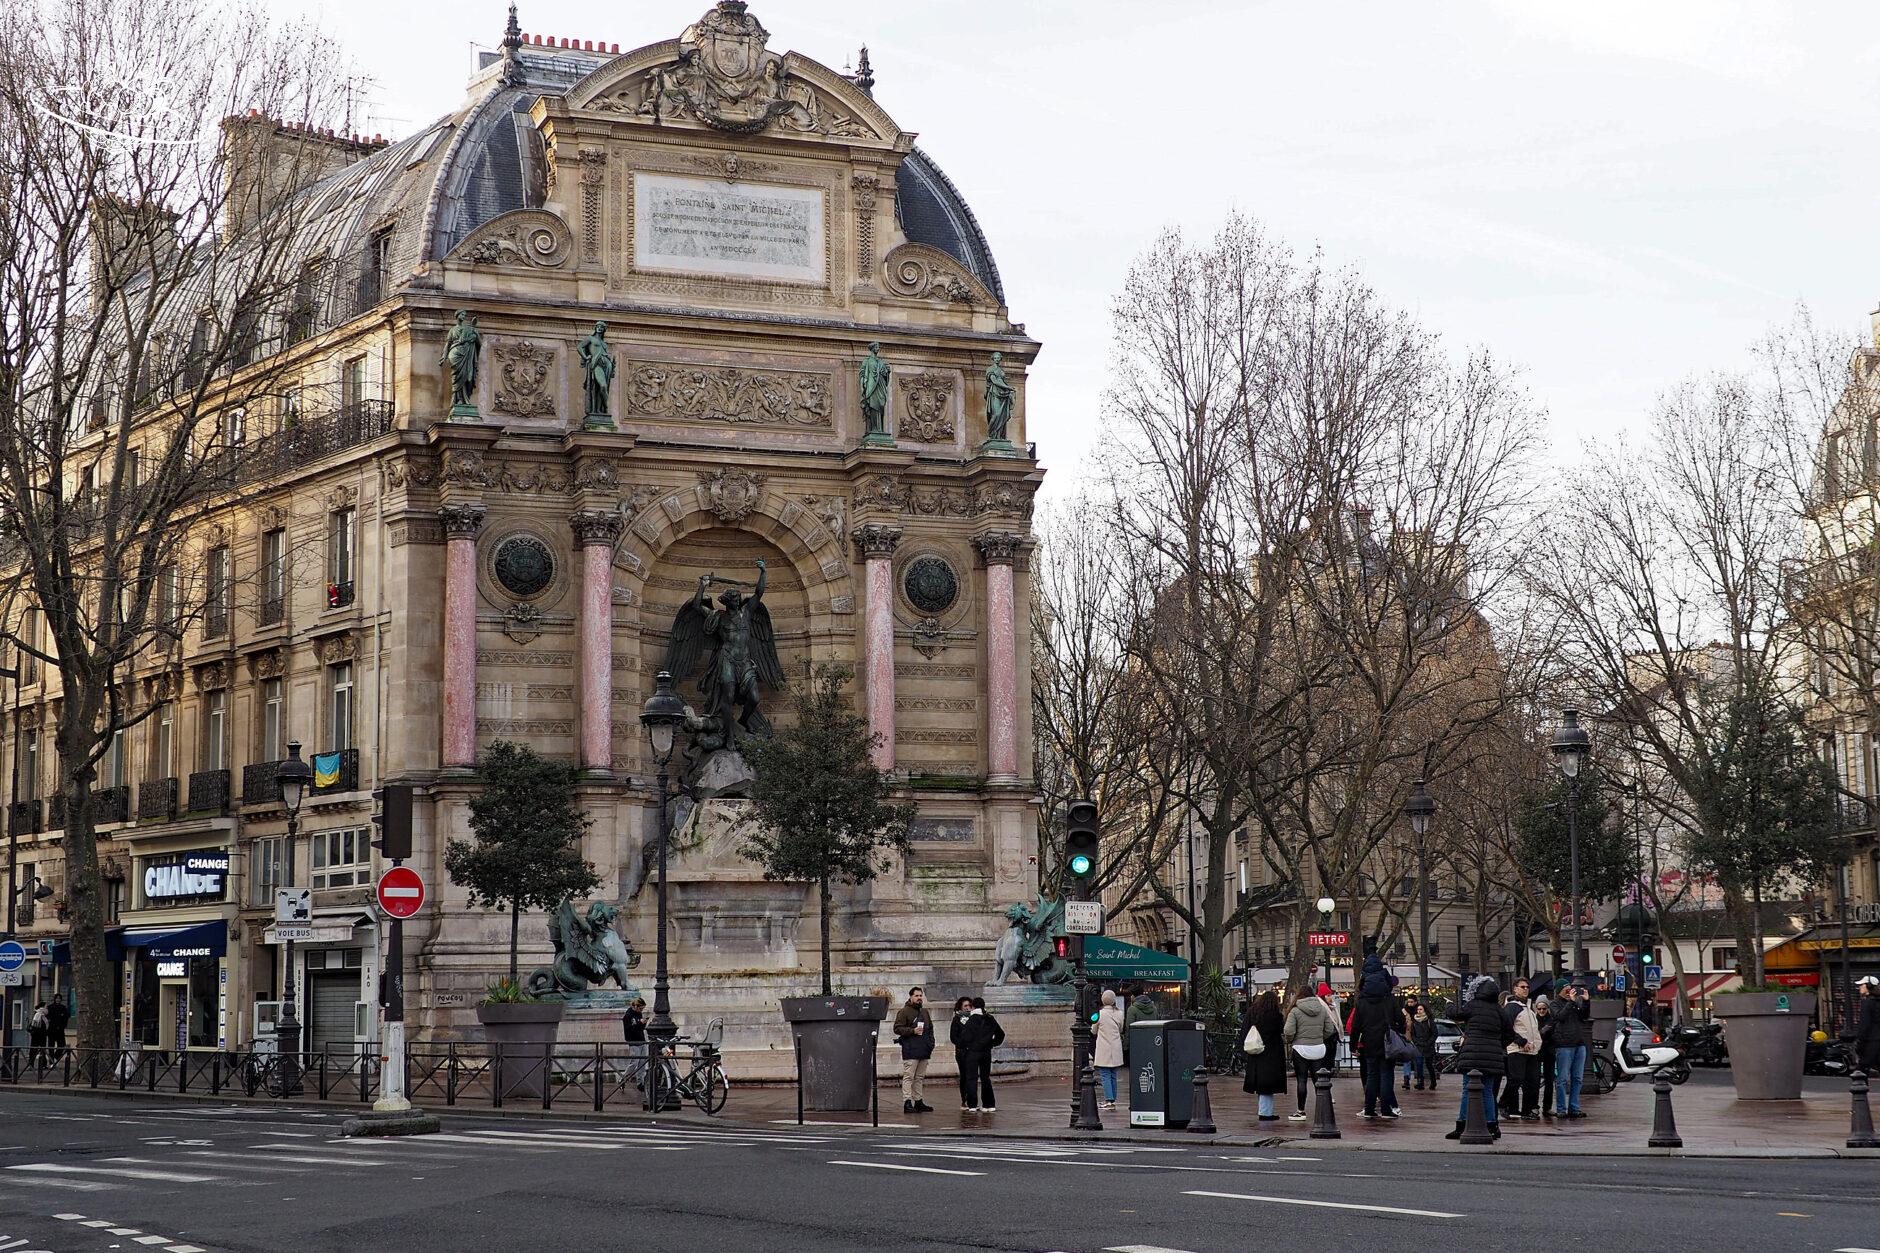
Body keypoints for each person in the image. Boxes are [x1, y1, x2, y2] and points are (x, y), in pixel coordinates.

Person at [1447, 976, 1514, 1141]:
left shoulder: (1472, 1005)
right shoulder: (1499, 1010)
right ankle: (1492, 1125)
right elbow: (1510, 1034)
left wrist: (1449, 1004)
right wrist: (1497, 1045)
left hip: (1471, 1054)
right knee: (1488, 1092)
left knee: (1466, 1090)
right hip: (1492, 1057)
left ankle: (1461, 1125)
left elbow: (1456, 1014)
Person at [1349, 953, 1399, 1120]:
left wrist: (1353, 1045)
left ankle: (1369, 1108)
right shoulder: (1389, 999)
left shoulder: (1362, 1001)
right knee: (1386, 1074)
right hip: (1387, 1040)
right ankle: (1386, 1109)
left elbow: (1355, 1026)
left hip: (1369, 1041)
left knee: (1371, 1075)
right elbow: (1401, 1019)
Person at [1282, 983, 1338, 1122]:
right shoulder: (1322, 1009)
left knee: (1301, 1080)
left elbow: (1288, 1031)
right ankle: (1323, 1109)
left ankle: (1301, 1111)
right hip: (1318, 1048)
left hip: (1300, 1048)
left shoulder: (1295, 1011)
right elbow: (1329, 1029)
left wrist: (1292, 1040)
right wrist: (1319, 1038)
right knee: (1318, 1080)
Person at [1240, 987, 1288, 1122]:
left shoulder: (1252, 1013)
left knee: (1261, 1083)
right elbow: (1280, 1030)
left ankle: (1265, 1111)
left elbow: (1244, 1031)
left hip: (1256, 1052)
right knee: (1268, 1085)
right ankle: (1265, 1113)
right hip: (1271, 1053)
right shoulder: (1275, 1016)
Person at [955, 996, 1005, 1113]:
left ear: (973, 1007)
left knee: (972, 1078)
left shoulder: (972, 1020)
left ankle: (972, 1104)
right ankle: (989, 1104)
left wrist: (966, 1046)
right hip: (986, 1052)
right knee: (985, 1078)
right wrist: (992, 1043)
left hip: (972, 1052)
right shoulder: (990, 1018)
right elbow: (1001, 1034)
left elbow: (964, 1038)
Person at [1500, 977, 1541, 1121]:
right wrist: (1521, 1041)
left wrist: (1537, 1043)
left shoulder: (1529, 1008)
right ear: (1515, 989)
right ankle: (1503, 1104)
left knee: (1533, 1081)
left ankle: (1528, 1109)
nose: (1525, 989)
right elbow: (1506, 1028)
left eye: (1527, 987)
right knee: (1516, 1079)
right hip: (1517, 1050)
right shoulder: (1512, 1007)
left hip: (1532, 1051)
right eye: (1522, 987)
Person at [1551, 982, 1593, 1120]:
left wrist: (1586, 1002)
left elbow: (1584, 1016)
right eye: (1566, 990)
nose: (1569, 992)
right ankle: (1561, 1109)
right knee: (1562, 1079)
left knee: (1577, 1078)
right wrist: (1571, 1002)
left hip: (1579, 1044)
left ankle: (1574, 1108)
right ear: (1559, 991)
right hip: (1564, 1045)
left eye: (1570, 990)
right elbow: (1560, 1016)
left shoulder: (1574, 1003)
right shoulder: (1554, 1004)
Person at [892, 986, 935, 1114]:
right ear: (911, 997)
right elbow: (897, 1028)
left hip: (924, 1048)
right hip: (910, 1049)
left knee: (919, 1077)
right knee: (909, 1076)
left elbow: (930, 1028)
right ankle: (907, 1101)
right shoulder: (904, 1012)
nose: (919, 998)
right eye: (916, 996)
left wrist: (931, 1044)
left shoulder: (925, 1012)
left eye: (920, 996)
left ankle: (918, 1100)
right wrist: (912, 1031)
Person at [1094, 989, 1126, 1110]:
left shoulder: (1099, 1014)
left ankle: (1108, 1100)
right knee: (1113, 1074)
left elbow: (1093, 1030)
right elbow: (1121, 1029)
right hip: (1116, 1047)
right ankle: (1112, 1099)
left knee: (1105, 1074)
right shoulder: (1120, 1013)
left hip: (1104, 1048)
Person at [947, 996, 977, 1111]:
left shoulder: (975, 1019)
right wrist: (964, 1043)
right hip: (962, 1052)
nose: (968, 1008)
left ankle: (972, 1101)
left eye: (969, 1006)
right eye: (965, 1006)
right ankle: (964, 1100)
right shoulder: (957, 1019)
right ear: (960, 1007)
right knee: (964, 1076)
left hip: (973, 1051)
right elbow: (953, 1037)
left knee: (972, 1076)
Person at [1533, 994, 1558, 1118]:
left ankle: (1547, 1107)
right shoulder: (1533, 1019)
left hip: (1549, 1052)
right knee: (1535, 1080)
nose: (1541, 1011)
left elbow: (1554, 1035)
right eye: (1539, 1008)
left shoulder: (1552, 1019)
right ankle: (1535, 1107)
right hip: (1537, 1052)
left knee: (1549, 1081)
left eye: (1544, 1008)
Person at [1409, 1001, 1438, 1091]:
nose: (1419, 1011)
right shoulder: (1414, 1021)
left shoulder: (1429, 1021)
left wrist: (1429, 1042)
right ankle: (1420, 1083)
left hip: (1428, 1046)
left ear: (1425, 1010)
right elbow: (1412, 1034)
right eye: (1418, 1009)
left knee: (1429, 1065)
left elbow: (1435, 1034)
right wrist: (1416, 1042)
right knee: (1419, 1064)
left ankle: (1433, 1082)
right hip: (1419, 1046)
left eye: (1421, 1009)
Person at [1854, 975, 1880, 1075]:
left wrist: (1860, 1042)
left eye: (1862, 985)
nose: (1859, 987)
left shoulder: (1867, 1003)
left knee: (1860, 1072)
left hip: (1871, 1042)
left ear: (1868, 986)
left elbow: (1864, 1024)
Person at [621, 996, 648, 1086]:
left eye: (642, 1009)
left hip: (641, 1040)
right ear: (636, 1006)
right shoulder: (627, 1016)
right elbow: (629, 1029)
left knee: (642, 1063)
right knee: (634, 1063)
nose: (641, 1011)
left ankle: (640, 1082)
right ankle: (623, 1079)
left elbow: (640, 1028)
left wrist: (643, 1023)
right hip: (633, 1041)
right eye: (641, 1008)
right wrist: (639, 1023)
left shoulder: (639, 1014)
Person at [28, 1002, 48, 1068]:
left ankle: (43, 1064)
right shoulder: (37, 1014)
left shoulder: (45, 1016)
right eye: (46, 1007)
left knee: (43, 1050)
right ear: (42, 1007)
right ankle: (31, 1065)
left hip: (43, 1035)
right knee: (33, 1050)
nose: (47, 1008)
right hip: (36, 1036)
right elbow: (34, 1025)